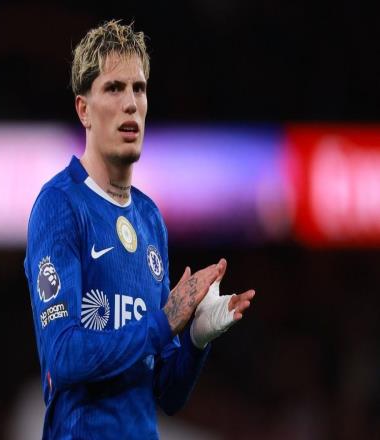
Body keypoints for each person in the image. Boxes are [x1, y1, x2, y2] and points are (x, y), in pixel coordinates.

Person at [24, 20, 255, 439]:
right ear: (83, 110)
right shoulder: (59, 206)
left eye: (139, 89)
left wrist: (196, 339)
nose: (130, 104)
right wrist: (163, 323)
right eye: (114, 88)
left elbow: (167, 393)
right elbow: (63, 357)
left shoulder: (150, 220)